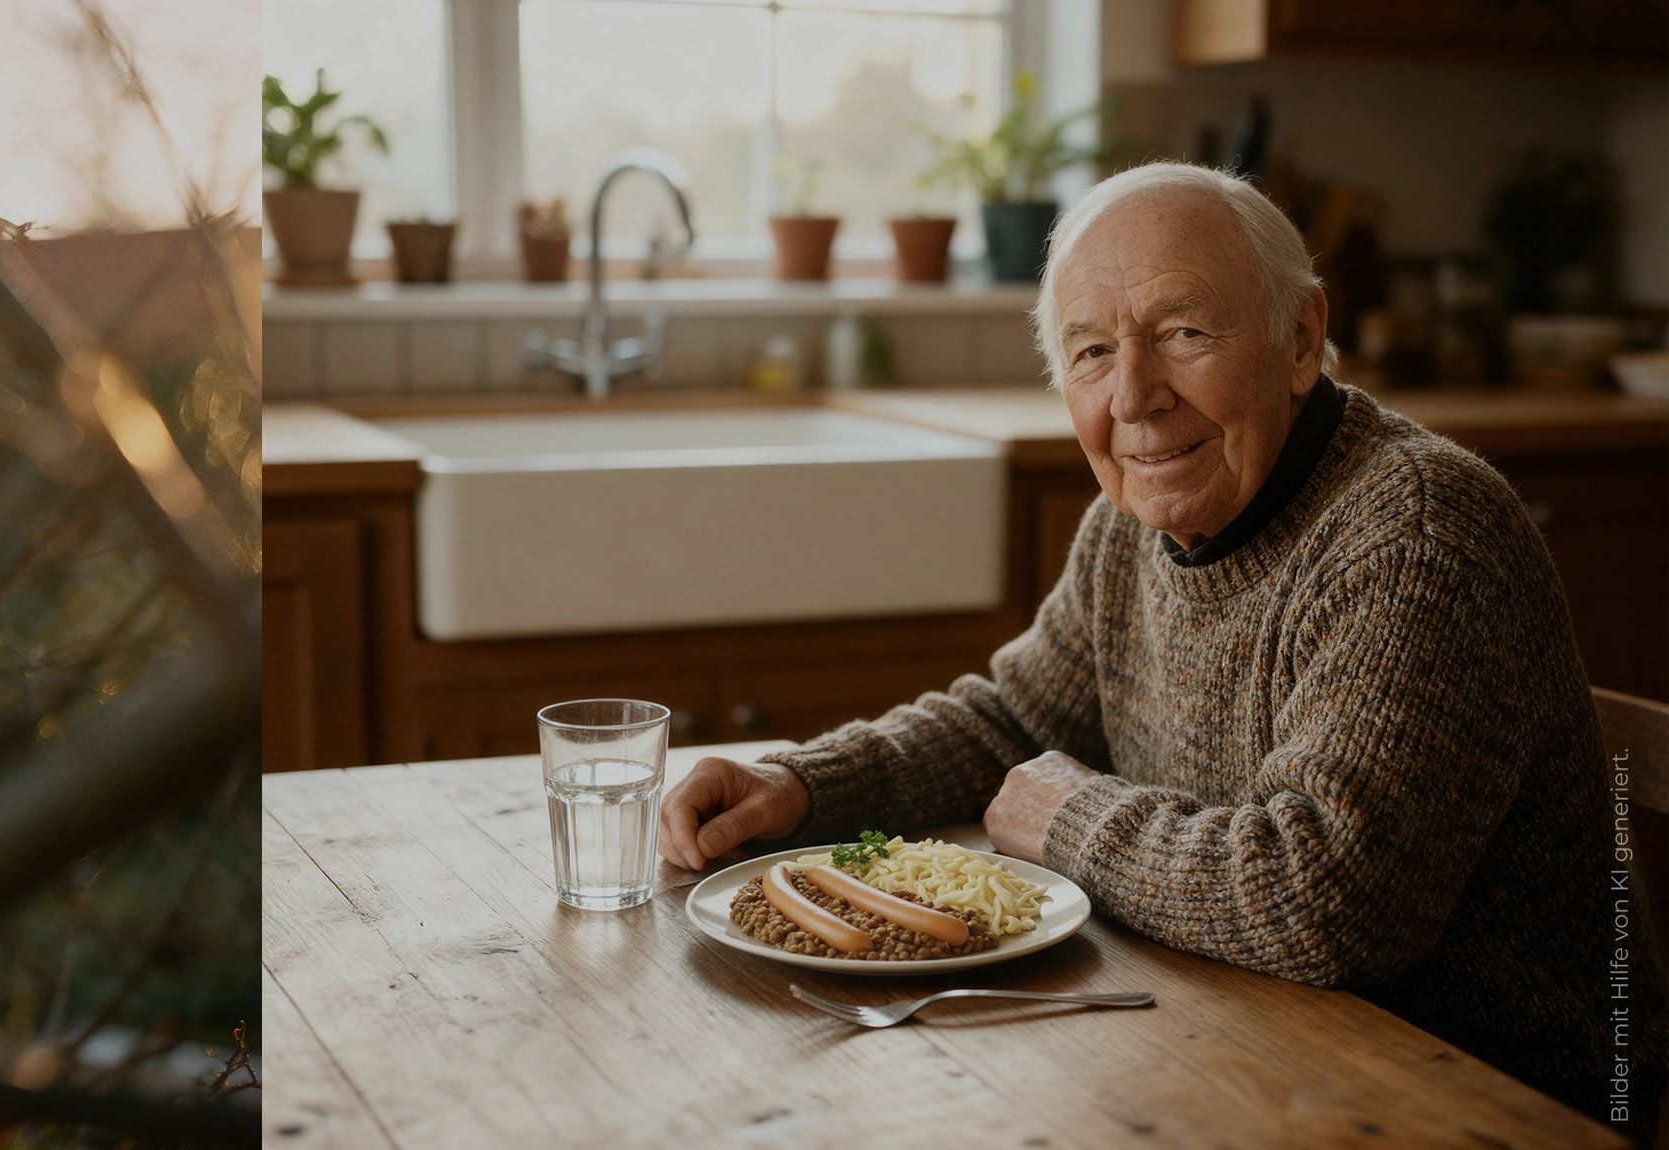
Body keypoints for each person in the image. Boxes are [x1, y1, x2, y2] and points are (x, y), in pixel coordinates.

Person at [657, 161, 1662, 1133]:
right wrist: (804, 786)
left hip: (1478, 1097)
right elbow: (1014, 719)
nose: (1133, 397)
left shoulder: (1416, 528)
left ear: (1300, 336)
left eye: (1181, 332)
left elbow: (1322, 898)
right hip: (1235, 1046)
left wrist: (1070, 817)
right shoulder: (1129, 523)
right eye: (1090, 352)